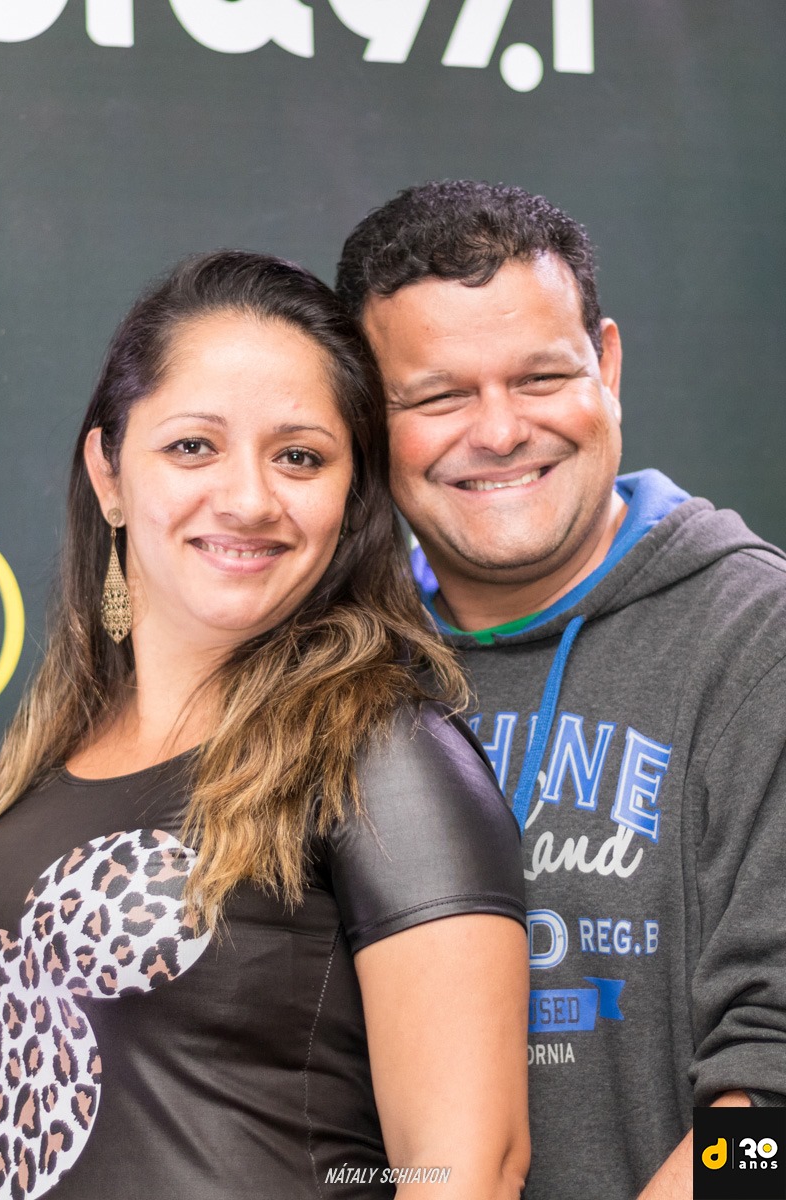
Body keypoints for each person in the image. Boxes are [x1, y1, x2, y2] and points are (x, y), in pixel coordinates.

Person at [0, 250, 530, 1200]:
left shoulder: (385, 753)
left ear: (351, 497)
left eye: (300, 457)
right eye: (193, 446)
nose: (247, 499)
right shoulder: (41, 764)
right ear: (109, 473)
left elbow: (469, 1169)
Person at [336, 181, 786, 1199]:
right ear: (367, 416)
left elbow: (775, 1115)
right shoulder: (338, 671)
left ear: (606, 366)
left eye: (540, 377)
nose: (499, 432)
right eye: (439, 397)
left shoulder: (757, 641)